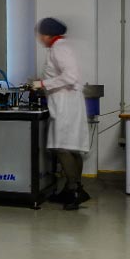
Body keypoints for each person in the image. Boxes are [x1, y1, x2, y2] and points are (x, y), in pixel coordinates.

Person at [32, 17, 91, 211]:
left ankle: (74, 191)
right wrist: (44, 82)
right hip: (67, 102)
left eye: (40, 34)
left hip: (66, 103)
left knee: (63, 147)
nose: (39, 38)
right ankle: (73, 188)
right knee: (71, 146)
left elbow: (70, 76)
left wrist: (42, 84)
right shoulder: (59, 47)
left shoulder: (59, 48)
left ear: (47, 35)